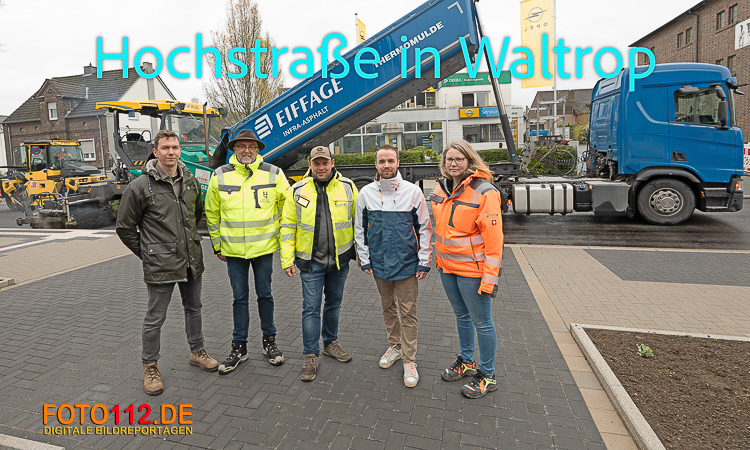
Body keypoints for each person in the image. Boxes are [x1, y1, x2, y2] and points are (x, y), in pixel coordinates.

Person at [116, 129, 219, 396]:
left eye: (174, 147)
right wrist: (149, 253)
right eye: (165, 148)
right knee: (155, 317)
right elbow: (125, 228)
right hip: (160, 264)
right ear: (155, 151)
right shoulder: (140, 186)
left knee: (194, 308)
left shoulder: (190, 181)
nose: (171, 152)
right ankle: (150, 366)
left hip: (191, 259)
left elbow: (195, 214)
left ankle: (197, 351)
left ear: (179, 150)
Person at [205, 129, 290, 374]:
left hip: (264, 249)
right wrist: (218, 246)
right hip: (233, 251)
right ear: (234, 149)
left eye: (251, 146)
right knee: (239, 299)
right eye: (241, 146)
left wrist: (282, 240)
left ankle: (269, 343)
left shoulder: (274, 173)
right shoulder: (220, 175)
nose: (246, 150)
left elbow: (288, 208)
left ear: (257, 150)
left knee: (265, 295)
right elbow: (212, 213)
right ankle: (239, 348)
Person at [430, 139, 503, 399]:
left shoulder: (485, 191)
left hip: (472, 272)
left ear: (469, 161)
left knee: (482, 322)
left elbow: (494, 240)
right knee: (462, 316)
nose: (453, 163)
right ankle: (467, 361)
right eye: (449, 159)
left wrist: (489, 280)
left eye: (459, 159)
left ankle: (487, 375)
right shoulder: (440, 188)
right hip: (447, 268)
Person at [354, 145, 432, 388]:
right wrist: (365, 259)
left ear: (398, 163)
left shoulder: (412, 192)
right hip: (379, 264)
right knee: (388, 307)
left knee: (408, 312)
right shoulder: (366, 193)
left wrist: (424, 260)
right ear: (376, 165)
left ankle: (410, 360)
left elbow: (425, 228)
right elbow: (359, 229)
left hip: (407, 264)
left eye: (390, 160)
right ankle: (395, 347)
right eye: (382, 161)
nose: (386, 165)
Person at [280, 146, 358, 381]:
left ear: (332, 163)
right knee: (311, 309)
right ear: (310, 165)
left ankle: (330, 343)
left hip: (339, 261)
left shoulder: (348, 187)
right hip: (310, 262)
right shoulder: (297, 190)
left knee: (334, 304)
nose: (321, 167)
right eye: (317, 163)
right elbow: (287, 226)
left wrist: (362, 254)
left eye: (325, 163)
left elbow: (358, 222)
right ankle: (310, 354)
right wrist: (287, 259)